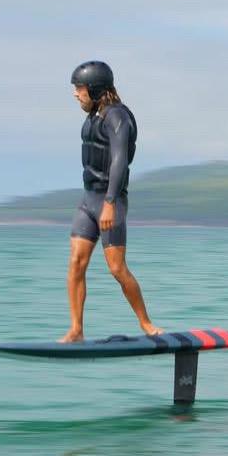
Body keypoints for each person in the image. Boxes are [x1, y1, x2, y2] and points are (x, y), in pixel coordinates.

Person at [59, 61, 163, 343]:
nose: (75, 94)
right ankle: (76, 329)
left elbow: (119, 161)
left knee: (117, 268)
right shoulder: (93, 116)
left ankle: (147, 323)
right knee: (76, 263)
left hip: (109, 201)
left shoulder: (117, 117)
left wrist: (110, 202)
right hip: (87, 201)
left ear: (94, 88)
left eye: (79, 88)